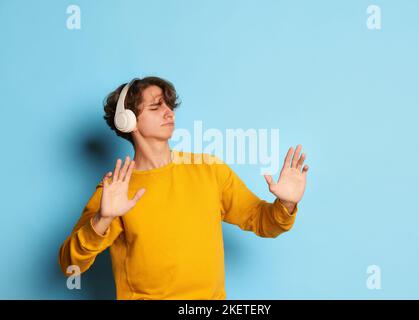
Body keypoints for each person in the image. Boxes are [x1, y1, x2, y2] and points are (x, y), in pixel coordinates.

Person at [58, 76, 310, 300]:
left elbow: (263, 221)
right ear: (128, 121)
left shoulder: (208, 169)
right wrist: (103, 219)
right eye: (156, 106)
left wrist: (286, 204)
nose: (169, 113)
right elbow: (70, 265)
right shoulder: (115, 190)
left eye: (169, 106)